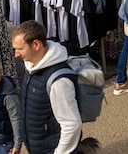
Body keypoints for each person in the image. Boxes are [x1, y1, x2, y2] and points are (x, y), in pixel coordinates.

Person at [11, 21, 81, 154]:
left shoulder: (58, 81)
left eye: (19, 49)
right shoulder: (31, 66)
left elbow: (72, 125)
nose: (16, 55)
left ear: (36, 44)